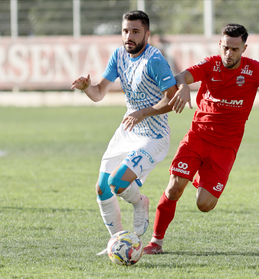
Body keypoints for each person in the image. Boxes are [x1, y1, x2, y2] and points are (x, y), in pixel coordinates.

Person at [143, 23, 259, 254]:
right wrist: (183, 86)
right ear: (220, 45)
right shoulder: (210, 64)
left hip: (225, 148)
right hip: (197, 138)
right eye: (225, 47)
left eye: (235, 49)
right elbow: (182, 75)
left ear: (244, 48)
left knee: (204, 205)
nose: (229, 53)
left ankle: (199, 175)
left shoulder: (256, 71)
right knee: (174, 189)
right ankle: (156, 242)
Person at [71, 10, 187, 255]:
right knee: (102, 189)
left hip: (152, 136)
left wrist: (143, 112)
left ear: (147, 34)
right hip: (127, 131)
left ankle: (140, 202)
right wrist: (86, 88)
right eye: (125, 31)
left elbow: (173, 100)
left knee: (118, 181)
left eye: (135, 31)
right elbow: (99, 93)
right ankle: (118, 242)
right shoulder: (118, 56)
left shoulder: (154, 60)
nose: (129, 36)